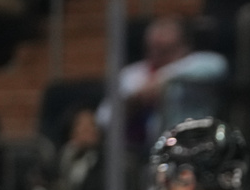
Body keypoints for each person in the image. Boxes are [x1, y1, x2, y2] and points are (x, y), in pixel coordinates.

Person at [98, 15, 228, 152]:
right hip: (138, 152)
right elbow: (103, 118)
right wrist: (133, 102)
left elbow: (219, 66)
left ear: (184, 44)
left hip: (190, 146)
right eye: (155, 32)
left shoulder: (198, 64)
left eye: (165, 31)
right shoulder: (131, 74)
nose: (158, 36)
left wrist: (161, 80)